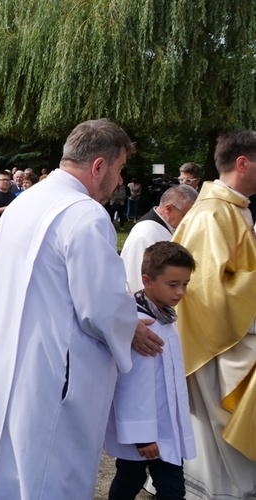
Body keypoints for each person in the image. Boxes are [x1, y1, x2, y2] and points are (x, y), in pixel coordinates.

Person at [0, 119, 160, 499]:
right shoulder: (85, 214)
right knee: (50, 473)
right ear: (99, 165)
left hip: (3, 352)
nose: (120, 181)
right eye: (119, 170)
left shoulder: (27, 201)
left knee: (4, 464)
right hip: (52, 371)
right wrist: (131, 327)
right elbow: (100, 306)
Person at [171, 131, 256, 499]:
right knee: (219, 427)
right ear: (242, 163)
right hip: (217, 343)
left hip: (232, 332)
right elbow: (207, 290)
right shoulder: (211, 214)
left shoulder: (235, 208)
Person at [105, 241, 197, 500]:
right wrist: (142, 437)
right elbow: (131, 385)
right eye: (173, 284)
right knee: (131, 479)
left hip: (165, 425)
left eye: (185, 284)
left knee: (170, 488)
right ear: (146, 280)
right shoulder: (140, 325)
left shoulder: (165, 316)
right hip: (147, 432)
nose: (180, 292)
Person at [120, 184, 198, 293]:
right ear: (168, 209)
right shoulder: (146, 234)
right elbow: (140, 284)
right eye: (186, 216)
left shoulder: (165, 227)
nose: (189, 222)